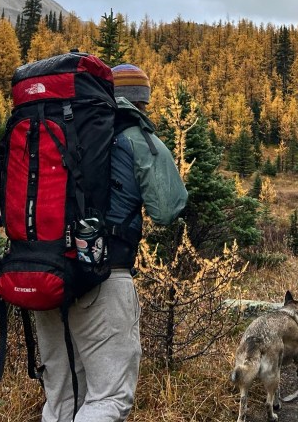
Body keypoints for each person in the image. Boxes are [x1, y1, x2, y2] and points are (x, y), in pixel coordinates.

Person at [34, 62, 188, 422]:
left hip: (48, 276)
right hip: (104, 276)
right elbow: (167, 208)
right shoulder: (135, 136)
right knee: (109, 398)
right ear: (141, 101)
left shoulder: (55, 128)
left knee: (61, 400)